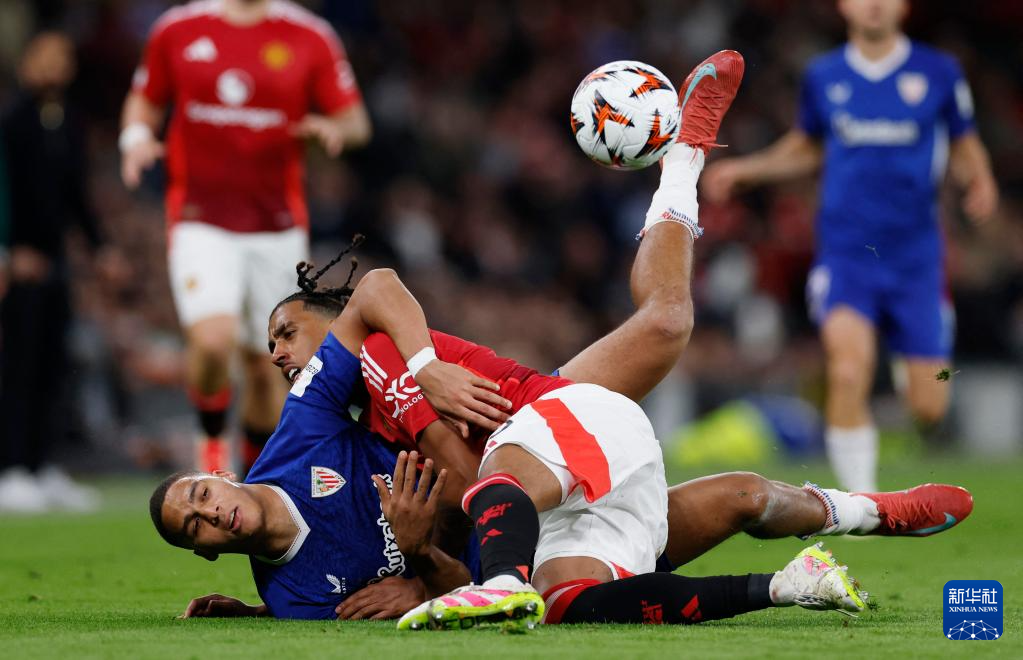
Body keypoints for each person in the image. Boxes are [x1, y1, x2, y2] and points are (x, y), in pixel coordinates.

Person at [154, 51, 972, 623]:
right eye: (272, 346)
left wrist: (427, 374)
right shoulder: (331, 426)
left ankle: (684, 156)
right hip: (540, 509)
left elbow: (387, 314)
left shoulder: (376, 361)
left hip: (540, 429)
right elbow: (383, 552)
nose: (278, 353)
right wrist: (389, 576)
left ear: (327, 319)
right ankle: (863, 515)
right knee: (738, 500)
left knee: (666, 324)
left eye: (286, 330)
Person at [701, 0, 998, 492]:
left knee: (930, 405)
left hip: (917, 260)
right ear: (844, 6)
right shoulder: (824, 74)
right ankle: (863, 504)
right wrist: (746, 169)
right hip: (846, 253)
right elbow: (806, 145)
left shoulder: (939, 72)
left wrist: (980, 179)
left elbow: (964, 141)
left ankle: (913, 363)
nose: (874, 5)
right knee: (846, 369)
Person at [120, 0, 371, 473]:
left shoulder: (309, 35)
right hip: (200, 218)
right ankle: (212, 446)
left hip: (277, 228)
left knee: (266, 364)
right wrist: (134, 138)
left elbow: (356, 121)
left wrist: (332, 127)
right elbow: (145, 98)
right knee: (213, 342)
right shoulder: (179, 29)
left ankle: (256, 477)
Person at [0, 31, 123, 513]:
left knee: (53, 364)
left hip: (56, 262)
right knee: (19, 368)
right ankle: (12, 469)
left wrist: (100, 248)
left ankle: (41, 465)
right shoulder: (12, 119)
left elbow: (75, 195)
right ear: (26, 62)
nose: (54, 65)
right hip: (21, 263)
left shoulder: (68, 120)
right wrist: (8, 251)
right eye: (45, 56)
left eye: (62, 57)